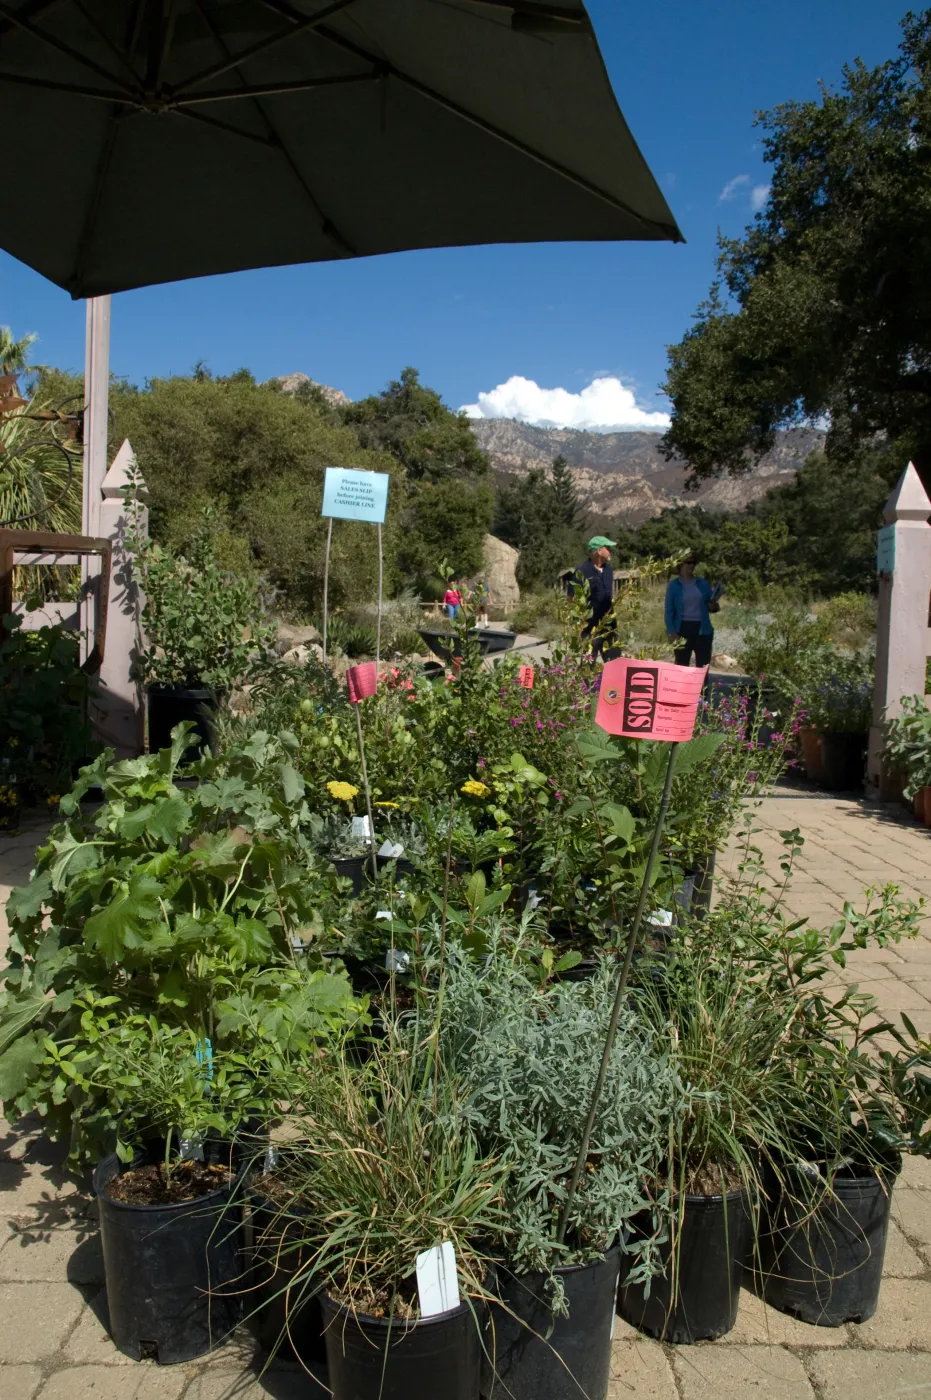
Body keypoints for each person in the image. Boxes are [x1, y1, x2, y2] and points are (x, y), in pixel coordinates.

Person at [664, 554, 716, 667]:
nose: (692, 565)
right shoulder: (673, 586)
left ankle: (703, 685)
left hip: (702, 629)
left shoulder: (703, 584)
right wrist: (672, 632)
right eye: (689, 562)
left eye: (694, 563)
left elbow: (713, 606)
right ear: (681, 565)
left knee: (702, 667)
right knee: (682, 667)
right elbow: (669, 611)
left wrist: (713, 606)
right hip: (682, 629)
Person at [571, 536, 616, 656]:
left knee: (615, 663)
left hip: (609, 626)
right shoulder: (582, 571)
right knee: (588, 666)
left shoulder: (609, 570)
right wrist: (578, 624)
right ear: (599, 550)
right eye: (607, 548)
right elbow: (571, 599)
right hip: (589, 628)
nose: (610, 551)